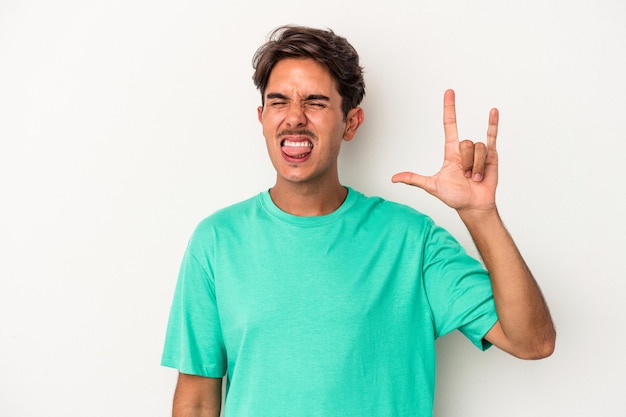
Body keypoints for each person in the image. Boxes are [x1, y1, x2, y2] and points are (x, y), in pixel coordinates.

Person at [161, 25, 556, 417]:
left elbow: (532, 342)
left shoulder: (410, 241)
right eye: (279, 102)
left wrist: (479, 215)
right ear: (262, 118)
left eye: (315, 102)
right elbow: (196, 400)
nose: (294, 118)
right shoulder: (217, 241)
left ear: (351, 122)